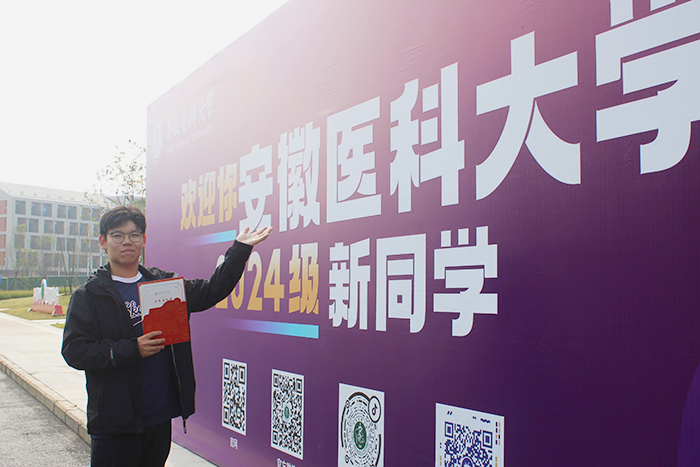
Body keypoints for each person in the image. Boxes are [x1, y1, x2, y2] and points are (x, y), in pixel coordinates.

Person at [61, 205, 271, 467]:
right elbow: (75, 351)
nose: (127, 241)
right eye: (118, 235)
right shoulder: (89, 295)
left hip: (158, 418)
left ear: (143, 240)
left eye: (134, 235)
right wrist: (132, 349)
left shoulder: (163, 285)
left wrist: (239, 250)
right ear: (103, 241)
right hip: (114, 422)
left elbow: (211, 291)